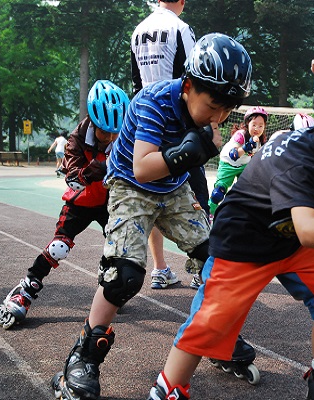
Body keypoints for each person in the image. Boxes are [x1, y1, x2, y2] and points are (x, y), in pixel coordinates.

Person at [147, 55, 314, 400]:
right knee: (209, 325)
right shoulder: (301, 163)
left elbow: (304, 231)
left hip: (291, 243)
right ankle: (167, 390)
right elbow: (309, 230)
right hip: (245, 246)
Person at [51, 33, 253, 400]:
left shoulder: (209, 110)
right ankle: (82, 358)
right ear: (188, 86)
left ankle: (216, 334)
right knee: (124, 275)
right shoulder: (154, 101)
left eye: (228, 110)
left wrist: (195, 154)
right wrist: (189, 152)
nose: (219, 118)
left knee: (216, 258)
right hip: (131, 186)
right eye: (214, 106)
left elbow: (194, 154)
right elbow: (143, 168)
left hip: (173, 189)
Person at [0, 80, 129, 329]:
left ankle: (106, 273)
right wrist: (98, 167)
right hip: (80, 203)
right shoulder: (76, 139)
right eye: (104, 132)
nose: (110, 138)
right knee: (59, 247)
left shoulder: (124, 135)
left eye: (114, 132)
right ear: (93, 121)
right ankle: (25, 290)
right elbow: (73, 180)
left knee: (121, 246)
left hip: (109, 201)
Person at [131, 0, 204, 290]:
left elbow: (136, 83)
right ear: (182, 2)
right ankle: (201, 270)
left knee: (151, 193)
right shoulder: (180, 28)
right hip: (176, 122)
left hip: (147, 123)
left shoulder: (138, 30)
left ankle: (160, 269)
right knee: (197, 191)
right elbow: (193, 78)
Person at [207, 106, 268, 218]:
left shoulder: (260, 140)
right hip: (228, 164)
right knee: (218, 193)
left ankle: (240, 215)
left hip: (244, 165)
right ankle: (209, 214)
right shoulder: (241, 135)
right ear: (247, 123)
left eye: (261, 126)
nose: (257, 128)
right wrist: (246, 147)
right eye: (254, 125)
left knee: (248, 192)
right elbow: (234, 155)